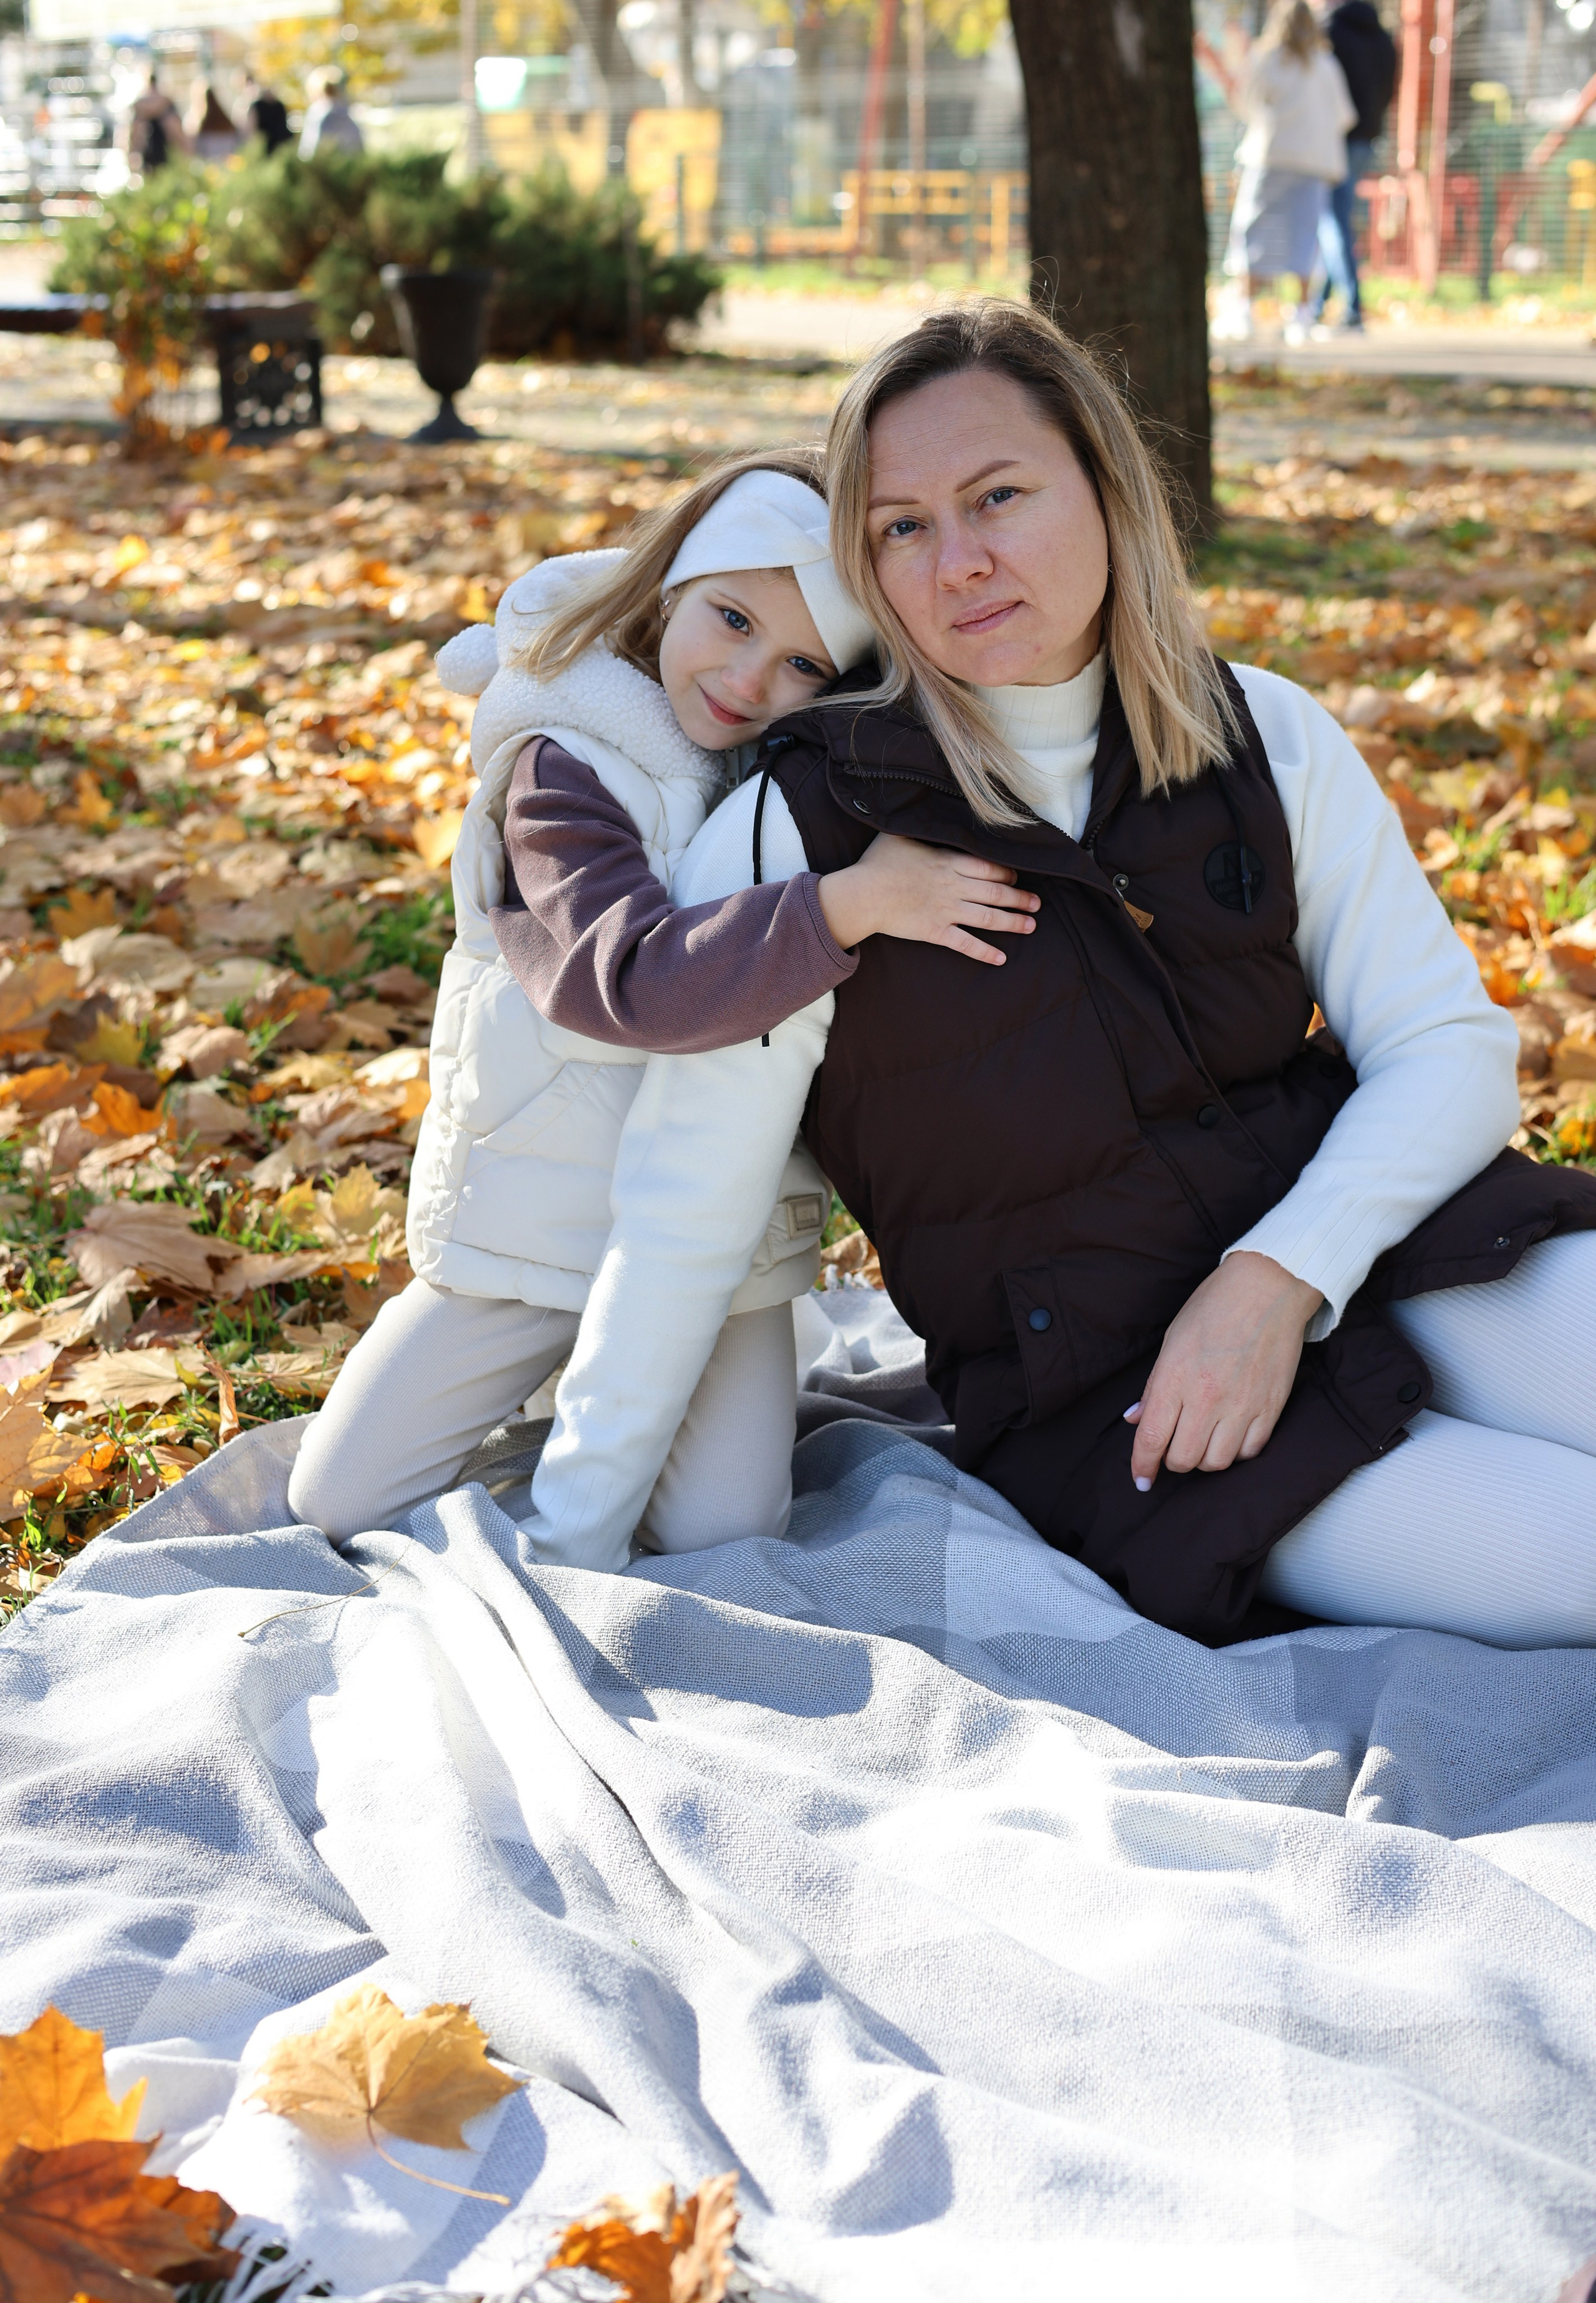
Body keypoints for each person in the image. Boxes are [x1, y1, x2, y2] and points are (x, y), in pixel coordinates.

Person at [521, 297, 1596, 1653]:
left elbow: (1445, 1045)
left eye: (996, 496)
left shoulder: (1259, 729)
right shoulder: (805, 835)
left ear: (1102, 483)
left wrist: (1275, 1276)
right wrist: (563, 1554)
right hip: (1116, 1392)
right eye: (900, 527)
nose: (956, 561)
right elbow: (680, 1219)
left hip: (1373, 1240)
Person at [286, 451, 1037, 1547]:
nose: (751, 681)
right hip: (541, 1214)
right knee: (337, 1501)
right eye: (731, 619)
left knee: (727, 1528)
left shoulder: (784, 778)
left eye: (803, 667)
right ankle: (555, 1381)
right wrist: (849, 905)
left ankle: (621, 1392)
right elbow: (626, 975)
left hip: (712, 1250)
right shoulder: (567, 760)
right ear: (674, 581)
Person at [1213, 0, 1356, 345]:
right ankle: (1302, 314)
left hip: (1271, 157)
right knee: (1305, 236)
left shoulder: (1267, 60)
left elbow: (1245, 104)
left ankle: (1245, 308)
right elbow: (1345, 117)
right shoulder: (1326, 65)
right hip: (1314, 164)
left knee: (1252, 229)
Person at [1307, 0, 1398, 333]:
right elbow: (1390, 89)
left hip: (1334, 136)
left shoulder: (1330, 31)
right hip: (1367, 136)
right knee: (1338, 217)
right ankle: (1318, 305)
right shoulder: (1383, 37)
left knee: (1334, 219)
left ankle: (1353, 306)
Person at [125, 72, 188, 178]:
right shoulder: (166, 102)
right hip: (164, 146)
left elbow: (135, 132)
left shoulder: (141, 105)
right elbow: (175, 129)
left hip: (148, 148)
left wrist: (132, 152)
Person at [297, 67, 364, 160]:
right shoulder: (347, 114)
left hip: (325, 168)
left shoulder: (318, 114)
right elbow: (359, 147)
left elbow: (308, 152)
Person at [188, 84, 240, 164]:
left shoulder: (201, 127)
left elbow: (194, 150)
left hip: (212, 169)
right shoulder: (227, 123)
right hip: (229, 167)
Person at [243, 76, 292, 155]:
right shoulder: (257, 106)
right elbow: (252, 128)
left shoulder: (280, 106)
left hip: (280, 144)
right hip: (265, 145)